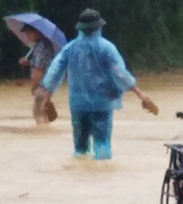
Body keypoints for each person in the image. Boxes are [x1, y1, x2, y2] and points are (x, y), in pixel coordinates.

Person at [38, 8, 156, 160]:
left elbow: (54, 72)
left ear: (80, 28)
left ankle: (80, 175)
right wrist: (140, 94)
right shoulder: (107, 48)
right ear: (99, 27)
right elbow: (120, 73)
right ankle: (102, 174)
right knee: (102, 143)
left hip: (78, 104)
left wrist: (47, 98)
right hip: (102, 103)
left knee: (80, 148)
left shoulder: (69, 48)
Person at [18, 24, 57, 124]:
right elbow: (42, 62)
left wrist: (34, 86)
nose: (27, 36)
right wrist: (28, 62)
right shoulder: (41, 45)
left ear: (36, 32)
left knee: (38, 111)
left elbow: (38, 69)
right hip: (49, 82)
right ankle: (46, 132)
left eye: (28, 33)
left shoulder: (41, 47)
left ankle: (41, 132)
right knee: (43, 112)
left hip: (43, 83)